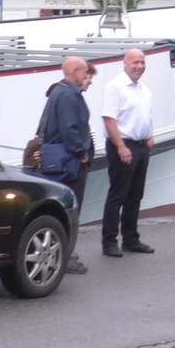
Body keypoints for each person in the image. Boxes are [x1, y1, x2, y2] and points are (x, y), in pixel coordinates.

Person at [40, 57, 96, 274]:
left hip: (60, 161)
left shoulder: (60, 92)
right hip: (68, 164)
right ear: (74, 71)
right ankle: (66, 256)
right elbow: (70, 129)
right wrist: (82, 153)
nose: (87, 77)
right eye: (84, 72)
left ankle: (62, 253)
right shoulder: (67, 94)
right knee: (70, 209)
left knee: (63, 209)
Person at [101, 48, 155, 257]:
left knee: (135, 196)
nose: (140, 66)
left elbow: (144, 114)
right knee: (118, 195)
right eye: (135, 63)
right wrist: (121, 147)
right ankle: (109, 242)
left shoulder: (143, 88)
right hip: (123, 145)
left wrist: (149, 135)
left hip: (142, 146)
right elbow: (109, 119)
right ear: (125, 63)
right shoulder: (115, 87)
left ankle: (131, 239)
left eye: (142, 63)